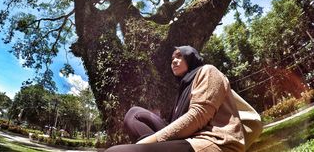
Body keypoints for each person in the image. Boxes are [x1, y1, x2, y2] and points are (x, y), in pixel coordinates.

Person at [105, 46, 245, 152]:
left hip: (212, 142)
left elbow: (197, 116)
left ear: (191, 57)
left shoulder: (208, 71)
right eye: (172, 59)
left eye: (179, 56)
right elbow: (177, 124)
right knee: (133, 114)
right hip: (187, 138)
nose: (174, 61)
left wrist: (149, 141)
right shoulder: (183, 89)